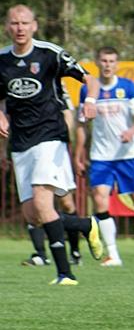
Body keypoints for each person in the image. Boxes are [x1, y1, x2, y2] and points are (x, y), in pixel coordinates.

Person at [0, 4, 104, 285]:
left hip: (50, 136)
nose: (20, 28)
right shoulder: (1, 60)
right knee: (33, 215)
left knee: (43, 202)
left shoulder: (49, 53)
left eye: (25, 23)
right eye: (14, 23)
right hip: (20, 142)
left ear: (34, 25)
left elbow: (89, 78)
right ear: (7, 27)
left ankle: (65, 274)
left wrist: (90, 100)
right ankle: (85, 224)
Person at [74, 46, 134, 267]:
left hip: (128, 155)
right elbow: (81, 125)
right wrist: (78, 154)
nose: (107, 65)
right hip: (101, 156)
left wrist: (131, 131)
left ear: (117, 64)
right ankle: (113, 255)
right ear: (97, 62)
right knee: (99, 200)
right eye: (104, 60)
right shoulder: (88, 90)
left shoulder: (127, 87)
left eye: (111, 61)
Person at [21, 83, 83, 266]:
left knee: (66, 202)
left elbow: (68, 115)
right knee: (34, 203)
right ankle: (41, 254)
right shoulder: (21, 84)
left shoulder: (57, 85)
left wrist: (63, 141)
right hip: (28, 147)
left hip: (54, 149)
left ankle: (75, 251)